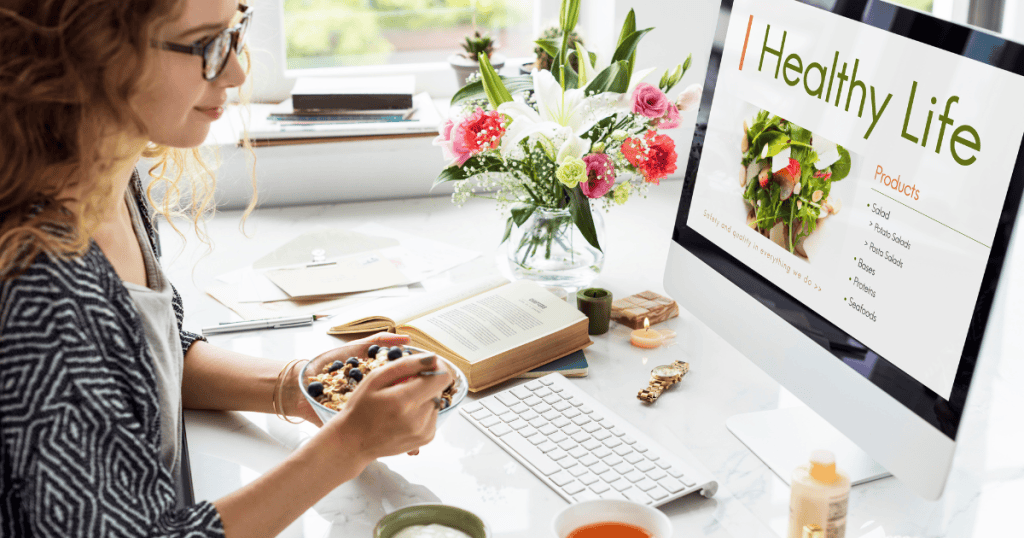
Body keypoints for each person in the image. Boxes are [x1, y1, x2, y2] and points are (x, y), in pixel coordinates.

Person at [0, 1, 454, 536]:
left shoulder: (108, 175)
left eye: (235, 30)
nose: (237, 70)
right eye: (206, 44)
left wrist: (301, 384)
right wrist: (349, 445)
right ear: (89, 54)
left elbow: (147, 364)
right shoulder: (38, 286)